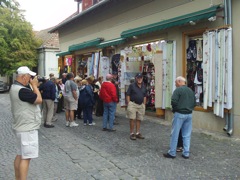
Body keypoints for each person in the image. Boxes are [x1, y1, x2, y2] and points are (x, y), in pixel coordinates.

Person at [9, 66, 42, 180]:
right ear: (23, 77)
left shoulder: (14, 87)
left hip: (21, 126)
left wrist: (31, 85)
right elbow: (38, 100)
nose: (31, 79)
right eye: (30, 77)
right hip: (27, 128)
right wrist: (34, 86)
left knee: (21, 155)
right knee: (26, 157)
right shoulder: (22, 90)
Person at [163, 76, 196, 159]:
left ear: (179, 82)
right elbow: (194, 102)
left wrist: (176, 109)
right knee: (187, 134)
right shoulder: (190, 90)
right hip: (189, 114)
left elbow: (173, 101)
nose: (175, 84)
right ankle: (186, 153)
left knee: (175, 133)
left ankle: (172, 152)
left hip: (180, 113)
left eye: (175, 82)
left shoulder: (178, 90)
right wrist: (190, 109)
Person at [126, 73, 147, 140]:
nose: (139, 79)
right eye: (138, 78)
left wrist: (144, 104)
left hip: (141, 105)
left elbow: (144, 96)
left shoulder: (143, 86)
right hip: (133, 104)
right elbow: (128, 94)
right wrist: (129, 103)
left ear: (142, 79)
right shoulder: (132, 86)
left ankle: (137, 133)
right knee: (132, 118)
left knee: (139, 119)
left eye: (140, 78)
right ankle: (132, 133)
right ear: (136, 78)